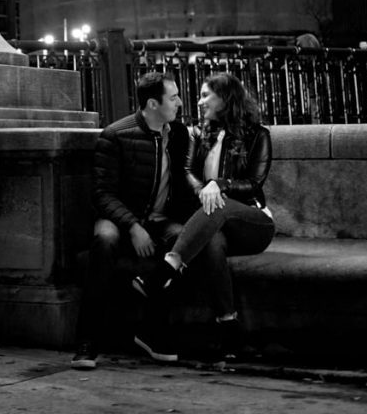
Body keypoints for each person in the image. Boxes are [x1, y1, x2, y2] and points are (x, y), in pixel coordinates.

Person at [136, 72, 274, 359]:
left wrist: (218, 185)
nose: (198, 102)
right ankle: (228, 327)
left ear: (226, 98)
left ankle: (166, 268)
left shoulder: (258, 134)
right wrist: (203, 191)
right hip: (213, 220)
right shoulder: (198, 134)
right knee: (212, 241)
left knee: (219, 204)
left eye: (205, 95)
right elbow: (188, 172)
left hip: (252, 222)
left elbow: (254, 182)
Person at [70, 71, 192, 370]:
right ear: (153, 103)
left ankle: (151, 331)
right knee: (105, 240)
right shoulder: (115, 135)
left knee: (185, 242)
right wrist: (133, 226)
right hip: (121, 219)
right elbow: (102, 195)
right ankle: (87, 341)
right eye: (173, 97)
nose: (180, 102)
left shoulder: (178, 134)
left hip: (160, 220)